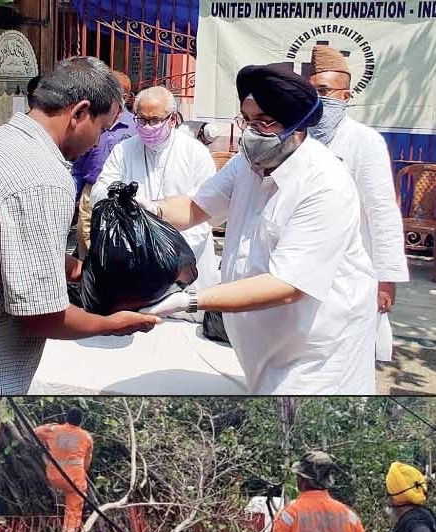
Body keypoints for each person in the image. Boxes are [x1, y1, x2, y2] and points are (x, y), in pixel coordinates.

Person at [0, 56, 159, 394]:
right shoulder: (43, 178)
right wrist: (109, 325)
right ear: (79, 113)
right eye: (102, 128)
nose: (99, 143)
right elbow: (41, 316)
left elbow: (4, 246)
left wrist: (78, 269)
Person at [140, 64, 378, 395]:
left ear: (297, 127)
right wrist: (149, 209)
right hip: (264, 343)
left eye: (265, 122)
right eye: (246, 120)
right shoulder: (246, 164)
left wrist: (187, 301)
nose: (252, 132)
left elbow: (288, 285)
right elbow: (199, 207)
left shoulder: (325, 185)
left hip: (318, 352)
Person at [308, 45, 408, 342]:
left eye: (324, 91)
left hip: (349, 270)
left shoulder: (365, 142)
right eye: (311, 91)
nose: (317, 99)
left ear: (346, 96)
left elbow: (382, 211)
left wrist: (386, 277)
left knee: (347, 349)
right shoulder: (299, 139)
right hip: (303, 266)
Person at [91, 85, 219, 295]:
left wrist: (167, 250)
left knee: (186, 314)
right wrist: (119, 197)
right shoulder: (124, 150)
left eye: (155, 120)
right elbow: (100, 190)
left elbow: (205, 208)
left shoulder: (195, 153)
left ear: (172, 119)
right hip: (135, 255)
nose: (147, 126)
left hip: (185, 255)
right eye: (141, 120)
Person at [73, 70, 137, 258]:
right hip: (91, 191)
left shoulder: (135, 126)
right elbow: (80, 161)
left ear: (124, 97)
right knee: (87, 242)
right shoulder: (90, 121)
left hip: (121, 194)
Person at [34, 407, 93, 532]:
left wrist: (51, 425)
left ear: (66, 418)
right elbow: (86, 463)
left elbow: (35, 431)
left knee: (70, 493)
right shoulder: (86, 437)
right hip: (73, 480)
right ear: (80, 422)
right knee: (73, 510)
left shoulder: (55, 430)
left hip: (54, 477)